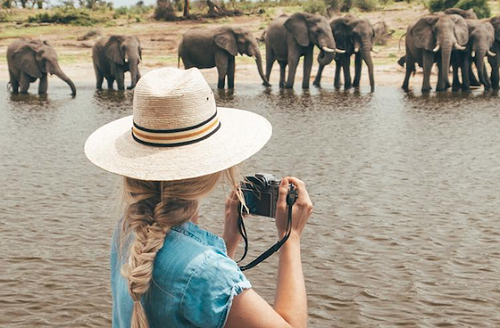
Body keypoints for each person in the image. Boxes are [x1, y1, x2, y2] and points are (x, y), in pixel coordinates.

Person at [84, 67, 313, 328]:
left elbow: (184, 291)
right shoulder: (209, 273)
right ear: (212, 168)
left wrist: (228, 240)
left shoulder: (127, 231)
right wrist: (290, 237)